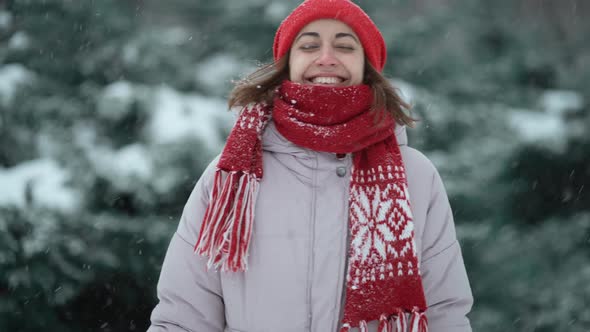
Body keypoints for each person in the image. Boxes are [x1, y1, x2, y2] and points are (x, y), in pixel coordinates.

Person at [147, 0, 473, 331]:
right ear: (288, 63)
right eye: (309, 45)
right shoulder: (232, 177)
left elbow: (445, 312)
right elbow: (183, 316)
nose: (327, 58)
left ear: (367, 67)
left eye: (345, 46)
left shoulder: (416, 176)